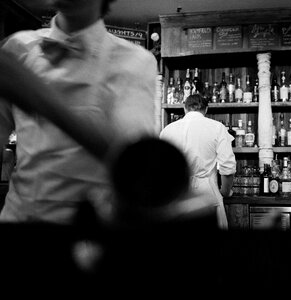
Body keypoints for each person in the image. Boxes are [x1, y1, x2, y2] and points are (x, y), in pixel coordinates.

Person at [0, 0, 160, 223]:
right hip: (19, 218)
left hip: (93, 228)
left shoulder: (135, 61)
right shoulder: (17, 48)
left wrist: (42, 99)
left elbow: (134, 166)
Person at [160, 94, 236, 229]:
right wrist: (224, 192)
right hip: (207, 195)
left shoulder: (168, 130)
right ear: (206, 110)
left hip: (176, 196)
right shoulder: (217, 127)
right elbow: (227, 167)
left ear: (185, 108)